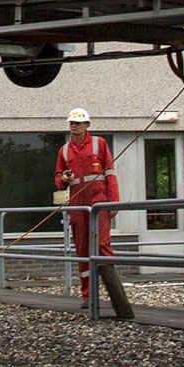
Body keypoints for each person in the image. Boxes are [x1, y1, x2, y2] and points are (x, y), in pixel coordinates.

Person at [54, 108, 118, 302]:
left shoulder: (100, 144)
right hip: (78, 206)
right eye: (72, 123)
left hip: (99, 203)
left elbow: (111, 174)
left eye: (78, 123)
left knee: (102, 246)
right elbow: (57, 178)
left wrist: (114, 202)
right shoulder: (64, 150)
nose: (74, 127)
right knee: (82, 249)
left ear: (87, 125)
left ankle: (115, 294)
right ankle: (88, 296)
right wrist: (63, 179)